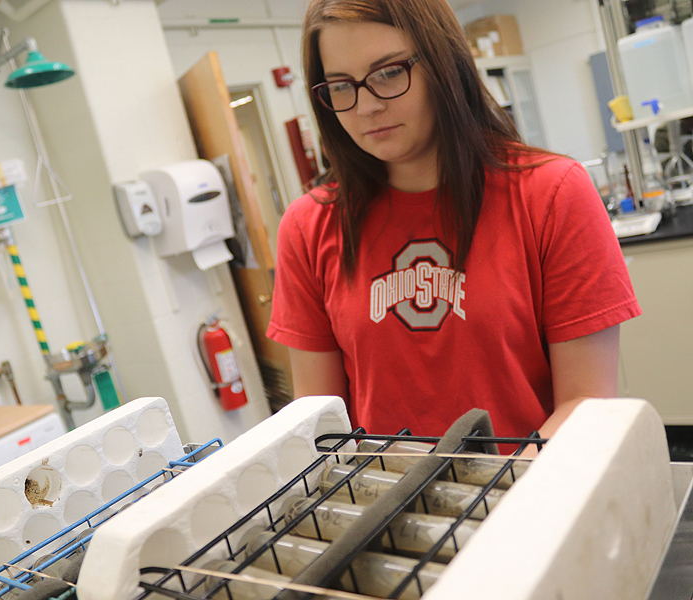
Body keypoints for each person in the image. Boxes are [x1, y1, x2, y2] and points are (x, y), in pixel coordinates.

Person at [266, 0, 641, 442]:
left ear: (445, 64)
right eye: (341, 85)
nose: (366, 106)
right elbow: (320, 421)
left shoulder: (553, 193)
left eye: (388, 73)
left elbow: (586, 403)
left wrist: (493, 493)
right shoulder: (309, 225)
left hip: (532, 493)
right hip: (382, 501)